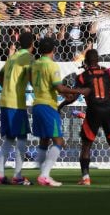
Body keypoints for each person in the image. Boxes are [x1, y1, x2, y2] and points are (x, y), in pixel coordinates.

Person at [59, 49, 110, 185]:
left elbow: (74, 97)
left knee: (86, 146)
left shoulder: (82, 77)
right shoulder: (107, 73)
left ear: (86, 61)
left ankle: (85, 178)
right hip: (108, 110)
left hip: (93, 110)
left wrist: (61, 105)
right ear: (97, 60)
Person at [31, 37, 90, 187]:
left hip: (36, 104)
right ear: (54, 50)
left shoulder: (35, 64)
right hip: (48, 106)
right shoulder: (52, 65)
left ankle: (41, 172)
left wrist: (56, 91)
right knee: (58, 141)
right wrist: (78, 90)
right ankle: (44, 175)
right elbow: (59, 87)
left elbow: (35, 82)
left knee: (44, 140)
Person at [0, 32, 35, 185]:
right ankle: (17, 176)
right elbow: (32, 78)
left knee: (10, 138)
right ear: (32, 44)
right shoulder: (29, 58)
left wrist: (8, 88)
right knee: (22, 137)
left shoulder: (12, 57)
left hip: (5, 101)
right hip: (16, 104)